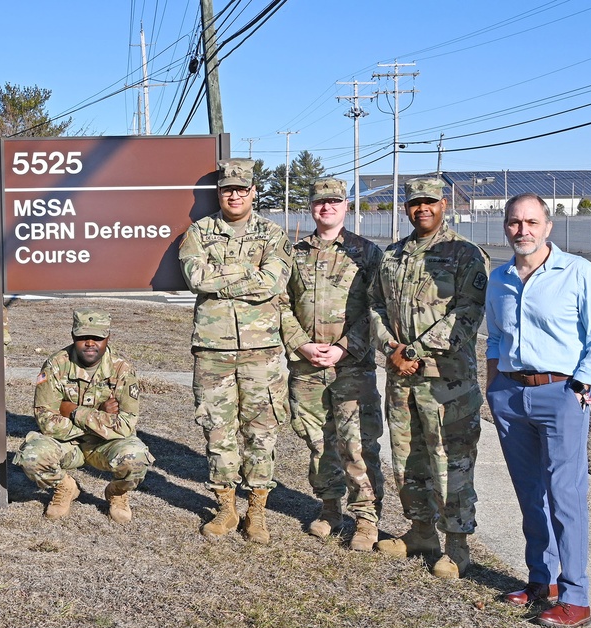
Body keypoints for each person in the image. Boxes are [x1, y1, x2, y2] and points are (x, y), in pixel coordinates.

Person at [486, 193, 591, 628]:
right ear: (505, 226)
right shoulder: (499, 277)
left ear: (548, 226)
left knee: (565, 495)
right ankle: (542, 581)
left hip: (560, 394)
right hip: (510, 394)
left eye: (531, 222)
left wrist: (581, 386)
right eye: (514, 222)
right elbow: (494, 339)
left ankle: (576, 596)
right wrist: (493, 386)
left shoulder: (578, 272)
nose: (522, 230)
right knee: (529, 494)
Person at [369, 177, 489, 579]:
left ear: (444, 204)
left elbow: (467, 314)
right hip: (401, 376)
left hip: (447, 381)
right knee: (407, 458)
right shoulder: (392, 255)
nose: (423, 208)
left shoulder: (465, 253)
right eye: (415, 202)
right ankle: (421, 531)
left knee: (450, 460)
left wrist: (415, 351)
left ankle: (457, 545)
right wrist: (391, 349)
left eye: (430, 201)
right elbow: (374, 307)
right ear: (406, 207)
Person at [178, 158, 292, 544]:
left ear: (253, 192)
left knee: (262, 432)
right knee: (217, 429)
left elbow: (272, 283)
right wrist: (248, 273)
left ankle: (256, 511)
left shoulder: (273, 234)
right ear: (220, 193)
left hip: (262, 349)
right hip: (213, 349)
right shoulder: (199, 232)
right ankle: (226, 508)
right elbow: (195, 277)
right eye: (228, 188)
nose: (235, 195)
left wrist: (222, 276)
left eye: (242, 189)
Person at [280, 177, 385, 551]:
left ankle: (367, 519)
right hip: (307, 367)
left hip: (351, 366)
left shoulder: (367, 253)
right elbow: (281, 304)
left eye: (334, 201)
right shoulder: (294, 253)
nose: (326, 207)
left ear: (346, 207)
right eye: (320, 201)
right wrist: (301, 344)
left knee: (357, 443)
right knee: (317, 441)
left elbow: (377, 309)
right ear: (311, 206)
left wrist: (344, 347)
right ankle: (329, 509)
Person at [15, 308, 154, 524]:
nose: (90, 343)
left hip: (105, 446)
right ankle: (65, 487)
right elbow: (46, 421)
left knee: (135, 457)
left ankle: (117, 492)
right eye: (83, 337)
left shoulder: (122, 370)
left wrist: (73, 411)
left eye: (97, 337)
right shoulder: (55, 365)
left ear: (108, 338)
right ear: (73, 336)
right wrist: (100, 416)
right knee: (32, 456)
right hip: (66, 444)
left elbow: (125, 425)